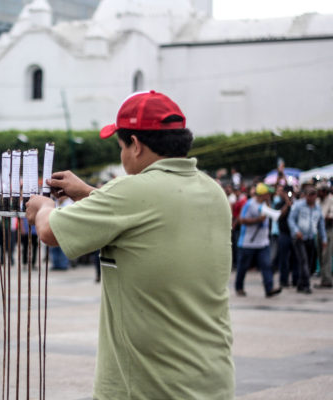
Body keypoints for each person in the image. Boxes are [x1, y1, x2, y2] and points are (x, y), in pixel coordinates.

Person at [26, 91, 234, 399]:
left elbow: (49, 231)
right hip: (212, 381)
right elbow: (148, 213)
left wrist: (43, 206)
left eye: (122, 146)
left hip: (150, 387)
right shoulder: (212, 191)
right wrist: (88, 192)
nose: (122, 156)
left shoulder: (130, 191)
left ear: (136, 145)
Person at [235, 183, 282, 297]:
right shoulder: (249, 204)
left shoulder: (266, 204)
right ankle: (239, 287)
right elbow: (241, 220)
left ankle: (269, 288)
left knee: (266, 265)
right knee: (243, 267)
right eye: (267, 193)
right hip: (248, 243)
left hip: (263, 243)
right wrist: (257, 220)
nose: (269, 195)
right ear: (262, 194)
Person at [288, 185, 327, 294]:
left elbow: (321, 224)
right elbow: (291, 220)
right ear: (306, 196)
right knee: (303, 261)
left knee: (309, 263)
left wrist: (324, 238)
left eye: (314, 195)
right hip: (299, 238)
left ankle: (301, 283)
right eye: (310, 195)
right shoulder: (299, 206)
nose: (312, 198)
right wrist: (296, 231)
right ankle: (306, 285)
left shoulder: (317, 208)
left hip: (310, 237)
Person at [315, 182, 333, 288]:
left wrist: (324, 217)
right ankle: (323, 279)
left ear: (324, 191)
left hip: (328, 230)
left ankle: (327, 279)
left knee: (326, 255)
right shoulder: (317, 201)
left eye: (319, 191)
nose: (318, 193)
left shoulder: (331, 200)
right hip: (319, 230)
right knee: (320, 255)